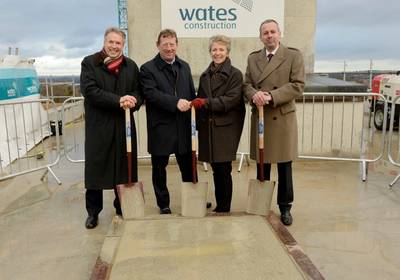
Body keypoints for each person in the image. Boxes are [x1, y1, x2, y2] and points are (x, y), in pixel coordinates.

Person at [243, 19, 305, 225]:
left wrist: (270, 95)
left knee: (285, 166)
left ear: (279, 33)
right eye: (265, 33)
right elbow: (246, 84)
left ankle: (285, 207)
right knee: (263, 163)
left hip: (282, 117)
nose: (269, 36)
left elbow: (297, 86)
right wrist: (255, 95)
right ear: (261, 37)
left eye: (272, 32)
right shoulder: (253, 58)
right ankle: (262, 204)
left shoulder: (293, 56)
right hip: (261, 116)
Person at [80, 27, 142, 229]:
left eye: (118, 43)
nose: (114, 46)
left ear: (123, 45)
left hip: (123, 126)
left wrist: (133, 101)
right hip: (99, 126)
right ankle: (93, 213)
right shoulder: (90, 62)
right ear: (104, 42)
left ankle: (121, 206)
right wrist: (119, 100)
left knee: (123, 168)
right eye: (111, 42)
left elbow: (138, 92)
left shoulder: (130, 66)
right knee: (96, 170)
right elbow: (90, 91)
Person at [140, 29, 197, 214]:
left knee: (188, 167)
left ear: (177, 45)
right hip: (161, 127)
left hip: (183, 126)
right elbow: (150, 94)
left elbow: (190, 93)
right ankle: (163, 203)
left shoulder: (184, 66)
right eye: (165, 45)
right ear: (158, 46)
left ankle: (192, 198)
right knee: (159, 169)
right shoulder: (148, 69)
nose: (169, 48)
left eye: (172, 44)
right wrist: (175, 102)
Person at [191, 35, 245, 212]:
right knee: (215, 168)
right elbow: (200, 98)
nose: (217, 53)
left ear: (227, 52)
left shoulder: (235, 74)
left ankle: (224, 206)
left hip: (226, 128)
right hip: (208, 128)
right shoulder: (206, 74)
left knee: (223, 168)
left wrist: (206, 103)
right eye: (214, 49)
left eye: (221, 49)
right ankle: (220, 204)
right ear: (210, 52)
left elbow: (231, 100)